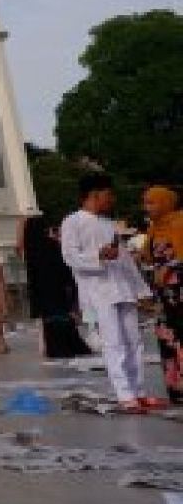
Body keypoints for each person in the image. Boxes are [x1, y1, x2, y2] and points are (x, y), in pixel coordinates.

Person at [61, 173, 165, 413]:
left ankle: (139, 392)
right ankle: (124, 395)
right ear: (95, 195)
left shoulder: (109, 224)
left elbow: (126, 260)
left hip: (123, 288)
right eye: (109, 195)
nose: (112, 199)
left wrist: (141, 290)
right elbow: (70, 257)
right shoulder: (73, 222)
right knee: (114, 342)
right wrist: (98, 256)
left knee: (134, 341)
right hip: (97, 291)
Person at [20, 218, 91, 359]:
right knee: (62, 316)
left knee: (51, 320)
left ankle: (56, 348)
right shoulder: (52, 245)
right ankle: (70, 346)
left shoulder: (31, 249)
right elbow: (64, 268)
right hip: (58, 287)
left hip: (42, 290)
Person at [141, 186, 183, 404]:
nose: (147, 207)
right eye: (146, 202)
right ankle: (176, 389)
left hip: (179, 289)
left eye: (152, 202)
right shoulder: (154, 228)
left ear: (166, 202)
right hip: (163, 293)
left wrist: (170, 267)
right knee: (167, 338)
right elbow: (147, 257)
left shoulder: (180, 223)